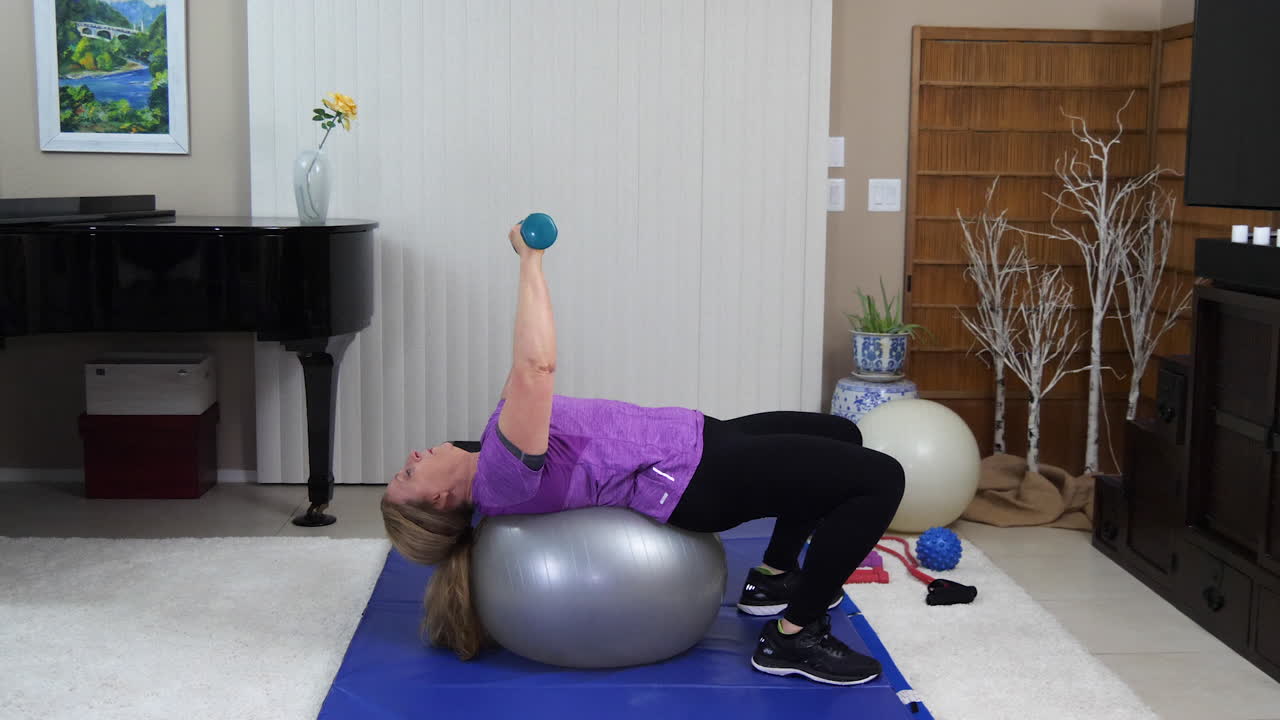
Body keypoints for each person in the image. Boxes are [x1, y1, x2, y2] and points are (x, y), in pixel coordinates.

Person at [381, 222, 905, 687]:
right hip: (696, 478)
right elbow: (535, 367)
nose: (412, 454)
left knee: (840, 435)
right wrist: (530, 259)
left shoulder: (493, 444)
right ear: (442, 497)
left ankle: (774, 578)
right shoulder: (502, 475)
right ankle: (794, 636)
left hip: (696, 438)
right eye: (410, 472)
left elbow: (524, 372)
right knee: (881, 479)